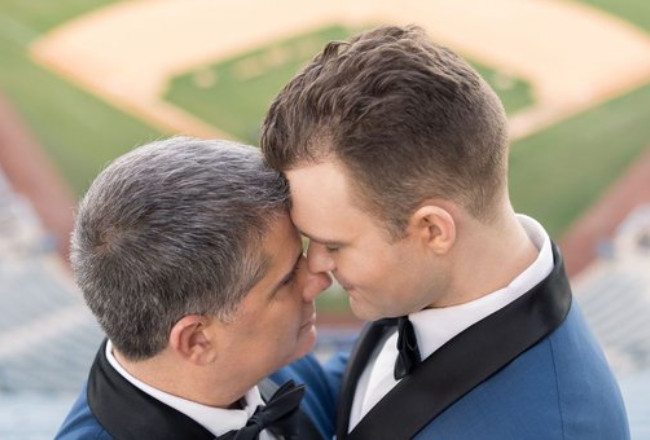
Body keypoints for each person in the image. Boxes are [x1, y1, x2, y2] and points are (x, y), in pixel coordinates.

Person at [260, 25, 630, 439]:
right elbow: (360, 397)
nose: (315, 267)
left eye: (333, 245)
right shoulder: (429, 283)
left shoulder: (547, 427)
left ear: (433, 230)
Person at [55, 137, 341, 440]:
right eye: (286, 279)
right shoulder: (262, 352)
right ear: (197, 340)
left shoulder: (266, 361)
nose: (319, 280)